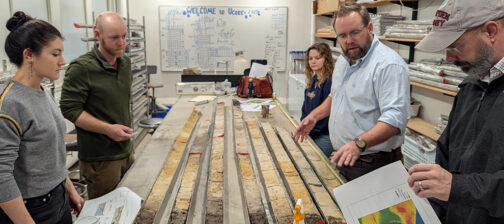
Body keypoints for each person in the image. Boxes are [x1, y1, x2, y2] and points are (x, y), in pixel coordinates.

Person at [407, 0, 504, 223]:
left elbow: (453, 184)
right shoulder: (471, 86)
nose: (449, 59)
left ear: (491, 31)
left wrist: (456, 186)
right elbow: (445, 158)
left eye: (455, 46)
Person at [294, 2, 410, 181]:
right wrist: (314, 116)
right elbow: (336, 97)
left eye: (355, 32)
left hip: (374, 163)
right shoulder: (343, 60)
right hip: (348, 157)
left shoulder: (388, 65)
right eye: (342, 35)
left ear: (370, 28)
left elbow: (395, 120)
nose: (349, 40)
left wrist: (359, 143)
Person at [0, 11, 84, 223]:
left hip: (58, 198)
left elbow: (48, 151)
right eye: (55, 54)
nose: (62, 61)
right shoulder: (9, 103)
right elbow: (1, 177)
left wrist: (68, 188)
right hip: (30, 209)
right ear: (29, 55)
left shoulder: (42, 91)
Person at [60, 11, 134, 199]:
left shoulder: (125, 64)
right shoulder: (81, 68)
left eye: (124, 36)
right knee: (105, 213)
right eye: (114, 37)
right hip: (100, 159)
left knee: (128, 208)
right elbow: (70, 109)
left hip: (126, 150)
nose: (121, 42)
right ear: (97, 34)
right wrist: (108, 129)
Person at [300, 43, 334, 157]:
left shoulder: (330, 82)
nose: (313, 61)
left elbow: (326, 116)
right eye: (310, 58)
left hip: (325, 135)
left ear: (326, 59)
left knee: (308, 158)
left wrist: (309, 132)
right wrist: (302, 126)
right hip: (311, 132)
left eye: (317, 58)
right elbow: (305, 109)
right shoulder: (312, 80)